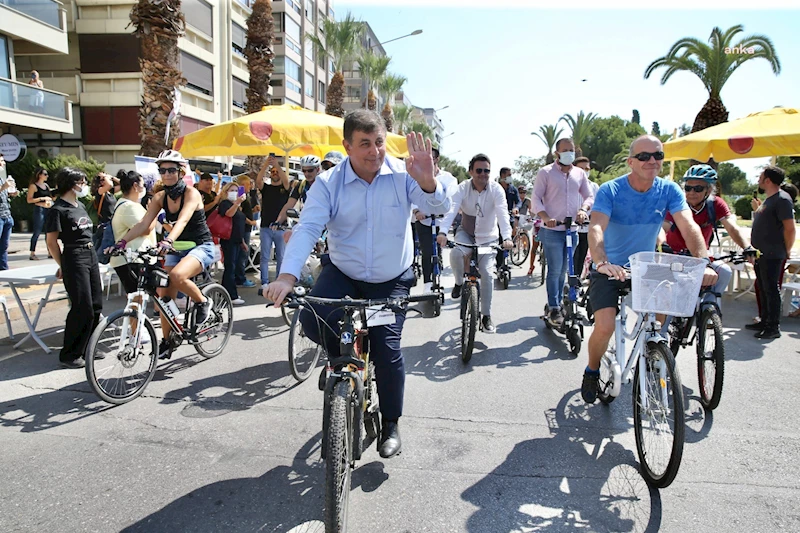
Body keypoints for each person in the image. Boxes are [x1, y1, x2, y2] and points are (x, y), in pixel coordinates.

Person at [265, 110, 451, 459]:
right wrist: (287, 276)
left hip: (390, 280)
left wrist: (428, 181)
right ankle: (342, 360)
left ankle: (391, 422)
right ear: (347, 146)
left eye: (379, 142)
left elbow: (438, 205)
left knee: (388, 350)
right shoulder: (327, 183)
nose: (374, 151)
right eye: (364, 144)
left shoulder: (403, 174)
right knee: (310, 319)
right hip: (343, 273)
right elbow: (307, 228)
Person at [582, 135, 717, 403]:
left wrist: (703, 262)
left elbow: (688, 225)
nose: (652, 161)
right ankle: (592, 369)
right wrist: (602, 262)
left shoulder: (669, 190)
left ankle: (652, 348)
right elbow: (596, 227)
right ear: (631, 162)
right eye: (644, 157)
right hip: (610, 267)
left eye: (658, 156)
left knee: (664, 306)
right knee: (605, 326)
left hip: (644, 266)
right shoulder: (611, 190)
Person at [113, 150, 218, 359]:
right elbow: (144, 224)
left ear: (180, 171)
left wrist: (168, 240)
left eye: (171, 170)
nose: (167, 174)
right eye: (163, 170)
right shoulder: (161, 196)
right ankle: (168, 340)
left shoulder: (192, 193)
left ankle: (203, 302)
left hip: (201, 246)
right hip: (176, 248)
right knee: (163, 297)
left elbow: (183, 220)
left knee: (177, 276)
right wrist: (121, 242)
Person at [436, 153, 514, 333]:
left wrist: (507, 237)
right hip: (466, 233)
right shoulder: (463, 188)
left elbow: (503, 214)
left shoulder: (496, 190)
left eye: (487, 170)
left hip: (488, 238)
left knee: (487, 274)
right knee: (456, 253)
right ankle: (457, 283)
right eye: (479, 170)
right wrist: (442, 232)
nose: (483, 174)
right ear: (471, 171)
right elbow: (452, 210)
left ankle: (486, 316)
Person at [660, 164, 752, 308]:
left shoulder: (715, 205)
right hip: (675, 256)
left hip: (700, 256)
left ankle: (708, 306)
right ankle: (664, 329)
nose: (691, 192)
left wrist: (747, 247)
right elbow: (664, 226)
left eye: (698, 189)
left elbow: (732, 227)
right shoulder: (678, 204)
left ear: (709, 190)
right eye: (688, 188)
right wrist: (661, 244)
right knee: (671, 305)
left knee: (724, 271)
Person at [45, 168, 103, 368]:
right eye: (82, 181)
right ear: (72, 183)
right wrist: (63, 264)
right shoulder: (57, 210)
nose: (85, 184)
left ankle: (89, 347)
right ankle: (70, 354)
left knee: (96, 304)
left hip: (90, 254)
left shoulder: (79, 205)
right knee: (82, 306)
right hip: (74, 255)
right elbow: (51, 242)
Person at [532, 138, 594, 325]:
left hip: (572, 229)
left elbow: (589, 195)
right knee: (555, 270)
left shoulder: (579, 174)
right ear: (557, 153)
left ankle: (561, 301)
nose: (569, 153)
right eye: (565, 150)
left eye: (572, 149)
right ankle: (554, 307)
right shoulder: (546, 173)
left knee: (566, 270)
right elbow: (535, 199)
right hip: (552, 230)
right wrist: (545, 217)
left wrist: (583, 209)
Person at [746, 166, 796, 340]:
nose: (758, 180)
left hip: (773, 253)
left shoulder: (782, 199)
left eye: (760, 177)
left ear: (768, 180)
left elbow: (790, 228)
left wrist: (787, 249)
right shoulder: (770, 199)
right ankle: (765, 320)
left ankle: (773, 326)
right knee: (763, 288)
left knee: (771, 290)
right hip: (762, 253)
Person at [412, 147, 458, 292]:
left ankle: (438, 270)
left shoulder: (447, 178)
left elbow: (451, 197)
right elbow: (411, 195)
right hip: (424, 221)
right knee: (426, 252)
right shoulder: (416, 176)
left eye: (429, 158)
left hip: (440, 222)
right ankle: (427, 284)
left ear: (436, 159)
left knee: (437, 250)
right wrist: (417, 211)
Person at [110, 171, 156, 294]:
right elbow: (145, 229)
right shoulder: (129, 207)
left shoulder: (127, 204)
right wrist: (154, 212)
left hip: (133, 258)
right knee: (137, 297)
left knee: (137, 298)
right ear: (136, 186)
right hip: (132, 259)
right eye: (143, 184)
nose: (145, 187)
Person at [256, 155, 291, 290]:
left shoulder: (285, 188)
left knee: (281, 257)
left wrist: (277, 165)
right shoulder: (266, 188)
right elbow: (258, 180)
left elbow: (286, 180)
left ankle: (278, 280)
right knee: (265, 257)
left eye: (277, 172)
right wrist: (266, 165)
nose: (275, 173)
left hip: (281, 227)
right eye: (273, 172)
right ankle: (264, 281)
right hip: (266, 227)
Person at [217, 182, 248, 305]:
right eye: (232, 190)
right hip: (228, 240)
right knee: (230, 267)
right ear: (226, 192)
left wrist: (242, 241)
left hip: (236, 240)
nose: (235, 193)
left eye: (236, 190)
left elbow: (238, 225)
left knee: (231, 267)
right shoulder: (225, 204)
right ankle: (231, 294)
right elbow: (228, 214)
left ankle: (225, 292)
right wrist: (237, 203)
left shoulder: (236, 206)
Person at [275, 155, 322, 225]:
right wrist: (278, 222)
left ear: (318, 169)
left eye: (310, 170)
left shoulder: (324, 185)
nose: (307, 174)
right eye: (304, 170)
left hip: (325, 223)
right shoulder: (301, 185)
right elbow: (289, 205)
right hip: (307, 223)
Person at [572, 157, 599, 276]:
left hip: (586, 229)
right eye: (581, 168)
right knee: (572, 255)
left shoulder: (594, 187)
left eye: (587, 169)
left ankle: (576, 282)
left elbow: (598, 207)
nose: (584, 171)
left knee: (582, 256)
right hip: (571, 228)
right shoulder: (569, 186)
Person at [233, 174, 257, 288]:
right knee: (243, 254)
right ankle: (240, 278)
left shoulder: (244, 196)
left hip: (245, 228)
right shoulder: (241, 194)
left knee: (242, 254)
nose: (250, 186)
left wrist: (253, 210)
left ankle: (239, 277)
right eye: (248, 184)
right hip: (244, 229)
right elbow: (240, 213)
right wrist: (250, 222)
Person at [27, 167, 53, 260]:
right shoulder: (33, 186)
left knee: (48, 232)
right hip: (39, 209)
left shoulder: (46, 186)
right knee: (37, 231)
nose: (47, 176)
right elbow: (29, 200)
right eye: (45, 174)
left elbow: (51, 197)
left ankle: (50, 252)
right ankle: (32, 253)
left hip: (48, 209)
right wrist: (42, 198)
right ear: (39, 175)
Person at [90, 171, 119, 254]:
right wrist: (106, 177)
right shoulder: (99, 192)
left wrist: (112, 177)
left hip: (113, 223)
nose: (105, 180)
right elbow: (109, 184)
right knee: (104, 250)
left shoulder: (110, 192)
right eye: (102, 179)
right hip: (106, 223)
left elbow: (124, 186)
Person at [0, 154, 18, 270]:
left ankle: (4, 269)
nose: (3, 163)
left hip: (6, 215)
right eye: (1, 161)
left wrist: (12, 193)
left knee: (4, 245)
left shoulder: (1, 178)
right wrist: (3, 187)